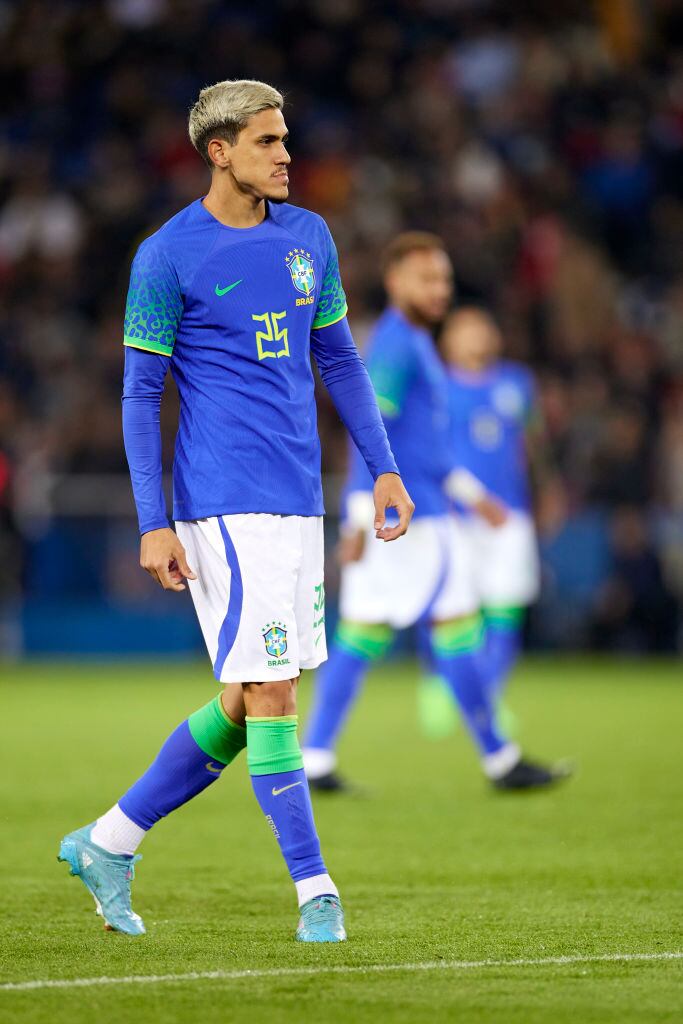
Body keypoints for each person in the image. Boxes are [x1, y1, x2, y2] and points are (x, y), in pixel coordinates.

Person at [58, 79, 413, 944]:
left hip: (297, 502)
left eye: (284, 138)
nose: (286, 154)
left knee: (245, 694)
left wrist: (384, 471)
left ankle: (109, 840)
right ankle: (315, 890)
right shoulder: (167, 255)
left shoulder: (309, 239)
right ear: (218, 152)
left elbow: (338, 363)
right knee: (272, 687)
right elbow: (141, 396)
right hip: (221, 500)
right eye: (266, 141)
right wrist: (153, 521)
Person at [302, 233, 562, 794]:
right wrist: (353, 514)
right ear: (396, 282)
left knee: (391, 630)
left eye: (444, 279)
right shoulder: (396, 344)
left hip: (426, 512)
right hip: (408, 520)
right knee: (426, 628)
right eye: (427, 279)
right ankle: (497, 758)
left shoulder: (415, 342)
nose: (439, 289)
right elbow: (367, 426)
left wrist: (472, 496)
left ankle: (321, 756)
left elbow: (428, 448)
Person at [438, 307, 563, 705]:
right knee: (455, 609)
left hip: (511, 513)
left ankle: (487, 701)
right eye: (466, 328)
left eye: (483, 327)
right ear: (449, 340)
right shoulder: (438, 388)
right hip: (456, 515)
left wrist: (548, 488)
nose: (477, 335)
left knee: (506, 607)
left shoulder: (517, 383)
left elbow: (534, 444)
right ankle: (446, 688)